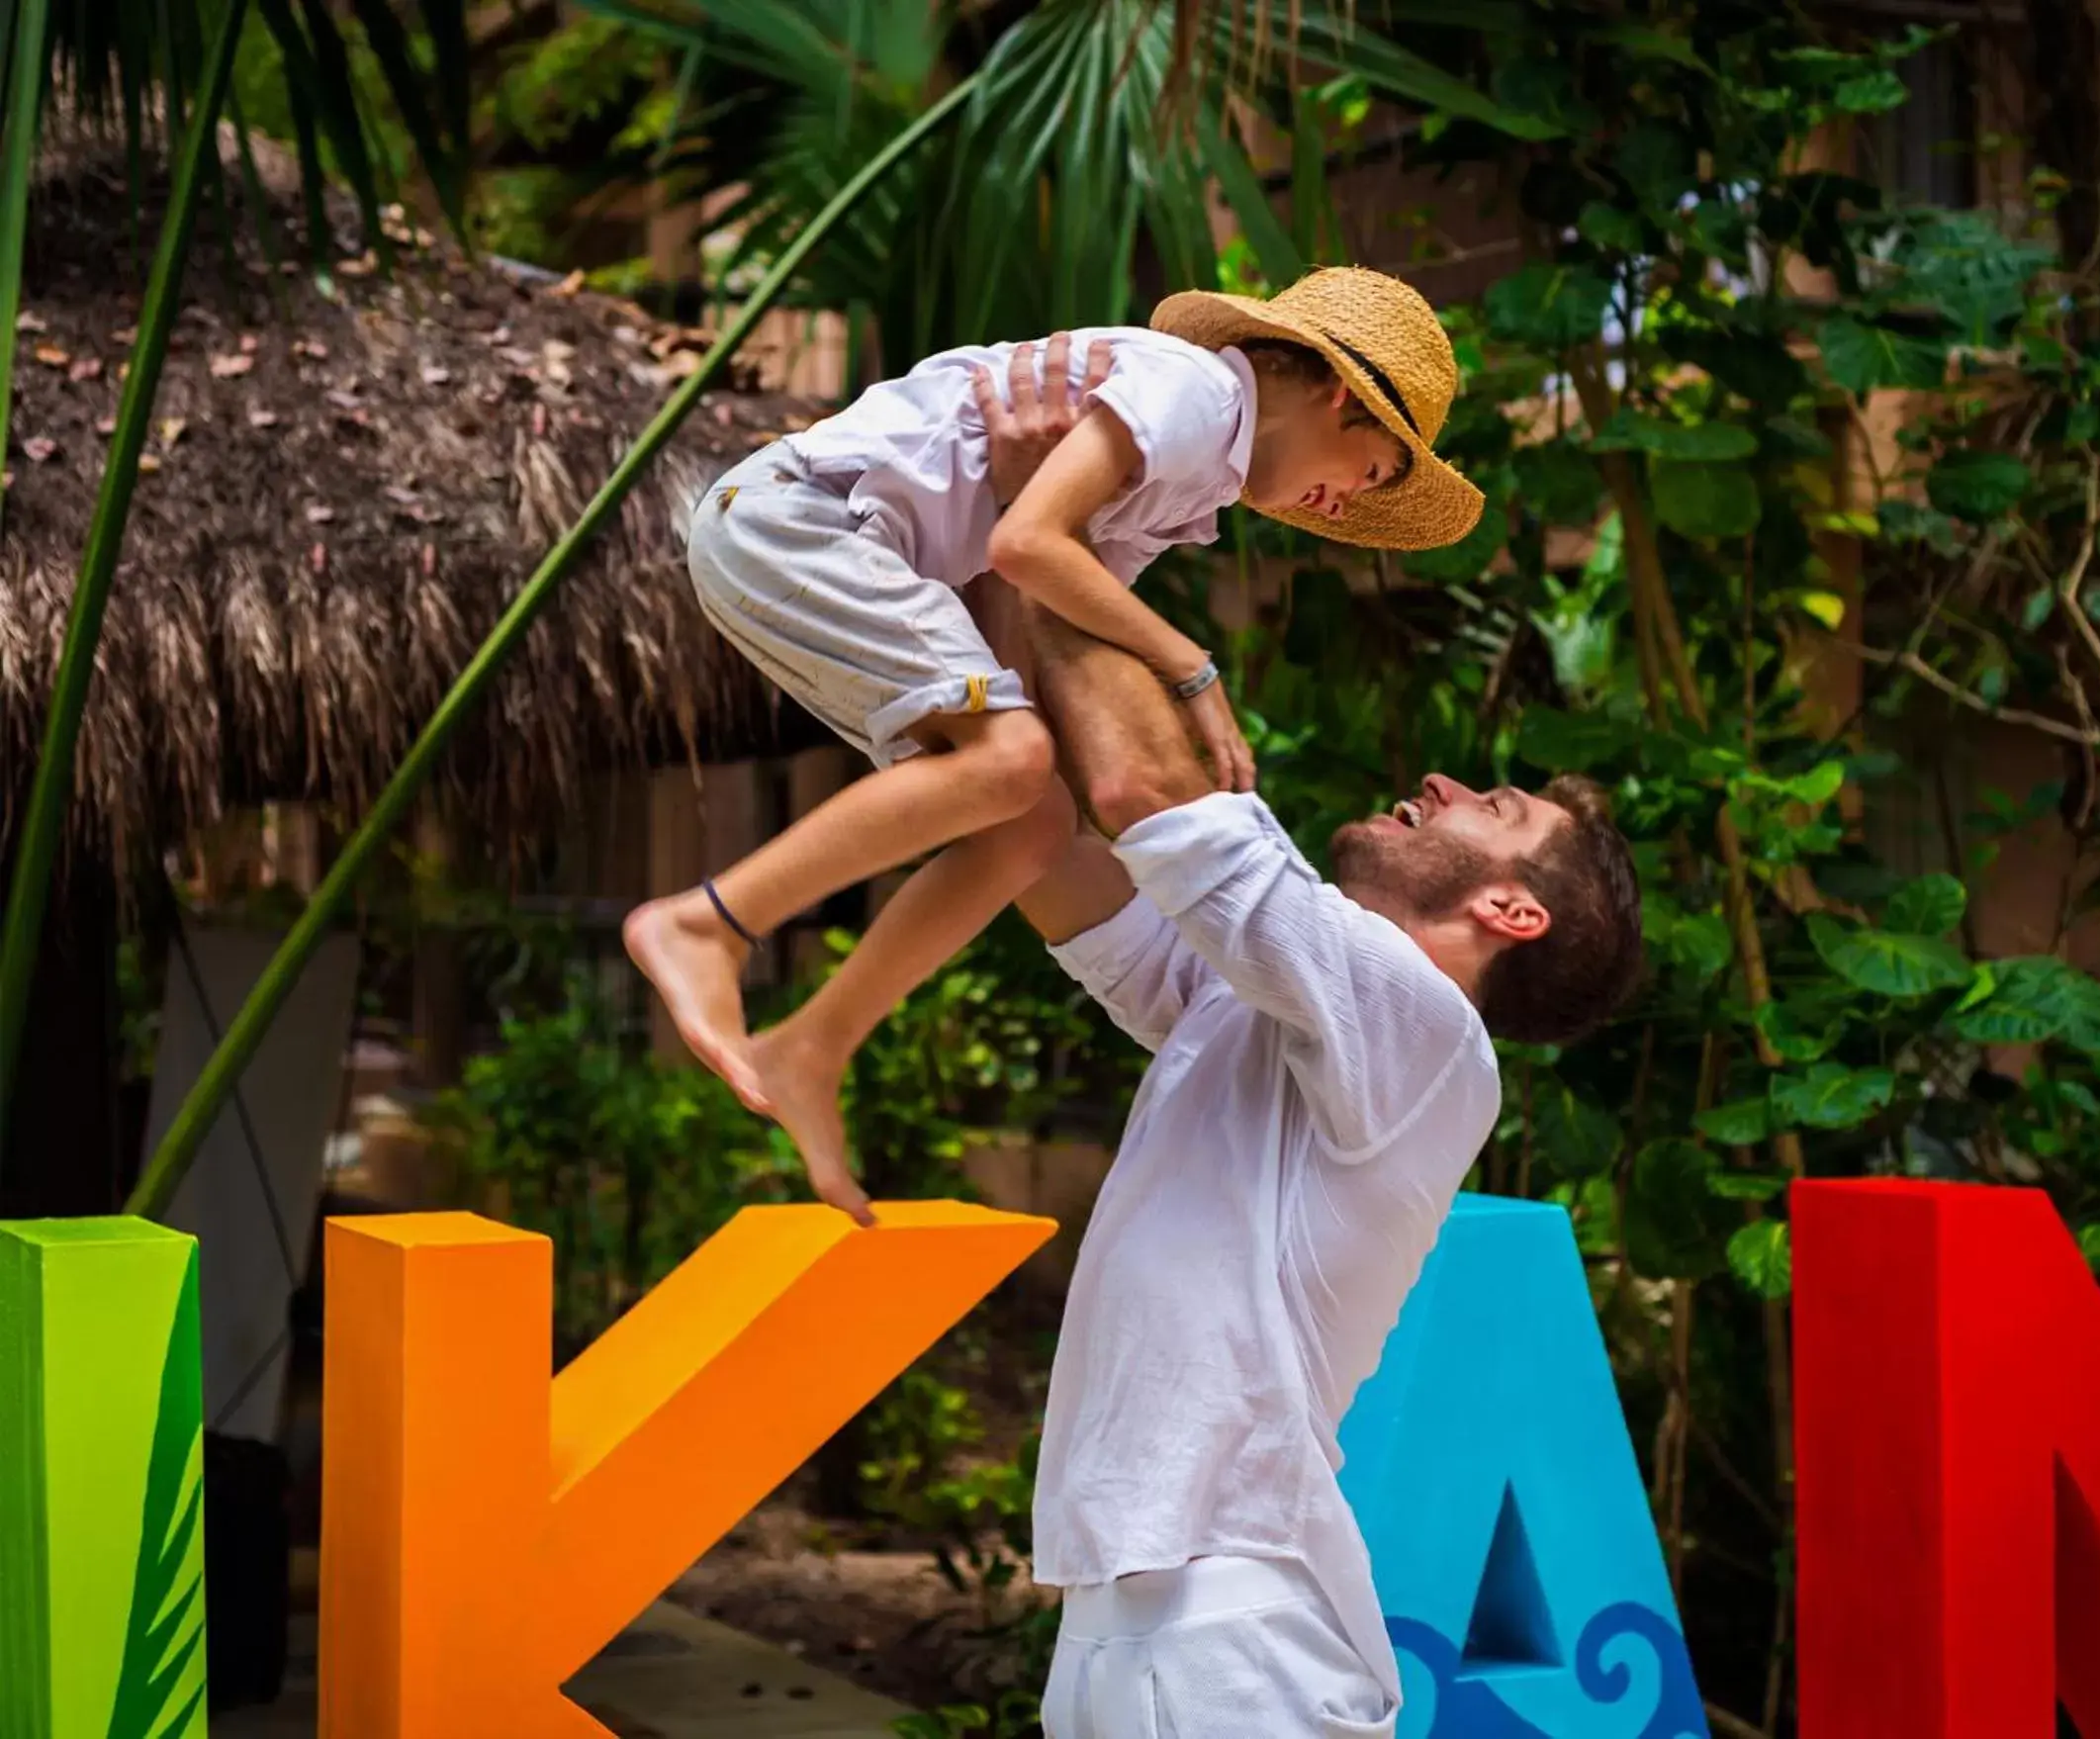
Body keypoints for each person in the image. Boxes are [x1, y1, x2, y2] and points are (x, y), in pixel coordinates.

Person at [624, 268, 1486, 1222]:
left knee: (1030, 821)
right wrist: (1190, 670)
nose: (1340, 509)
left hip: (823, 548)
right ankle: (707, 921)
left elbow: (1030, 626)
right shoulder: (1197, 393)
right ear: (1341, 395)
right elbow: (1030, 544)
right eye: (1368, 474)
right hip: (804, 517)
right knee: (1010, 763)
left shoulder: (1189, 490)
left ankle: (814, 1044)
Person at [1006, 603, 1646, 1736]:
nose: (1443, 782)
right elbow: (1036, 836)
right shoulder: (1261, 1008)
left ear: (1509, 910)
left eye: (1492, 810)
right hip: (1137, 1623)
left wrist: (1052, 548)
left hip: (1230, 1634)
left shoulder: (1430, 1033)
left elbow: (1138, 795)